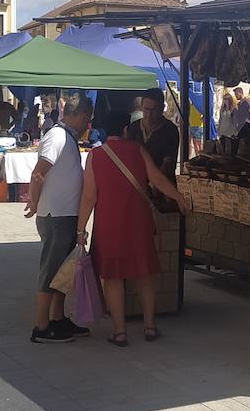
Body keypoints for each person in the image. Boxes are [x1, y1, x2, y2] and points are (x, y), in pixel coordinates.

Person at [77, 110, 190, 347]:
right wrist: (178, 197)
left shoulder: (95, 156)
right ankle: (150, 327)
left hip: (109, 225)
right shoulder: (138, 150)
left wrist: (80, 230)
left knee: (113, 278)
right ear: (126, 130)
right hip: (139, 222)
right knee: (145, 275)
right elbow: (157, 179)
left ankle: (120, 332)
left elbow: (89, 197)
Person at [27, 91, 94, 344]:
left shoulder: (66, 137)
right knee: (51, 269)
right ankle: (41, 325)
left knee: (62, 272)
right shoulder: (56, 136)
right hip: (56, 215)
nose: (88, 125)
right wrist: (34, 202)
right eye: (87, 119)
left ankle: (57, 318)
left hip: (65, 214)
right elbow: (38, 173)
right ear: (78, 116)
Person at [128, 88, 180, 181]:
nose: (149, 115)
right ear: (141, 106)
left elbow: (168, 161)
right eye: (146, 109)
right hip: (137, 183)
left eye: (154, 110)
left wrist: (155, 184)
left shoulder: (170, 130)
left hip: (162, 185)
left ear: (162, 108)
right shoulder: (133, 128)